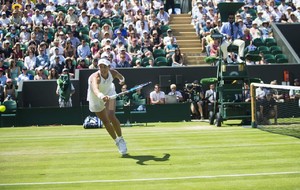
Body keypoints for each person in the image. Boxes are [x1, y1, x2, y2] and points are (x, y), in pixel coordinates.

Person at [87, 58, 127, 155]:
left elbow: (121, 77)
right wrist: (101, 96)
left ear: (109, 67)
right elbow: (96, 90)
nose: (103, 69)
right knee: (105, 121)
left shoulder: (113, 73)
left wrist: (122, 80)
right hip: (96, 98)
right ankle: (116, 141)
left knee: (111, 116)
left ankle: (121, 139)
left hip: (110, 93)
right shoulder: (95, 77)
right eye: (100, 67)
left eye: (105, 67)